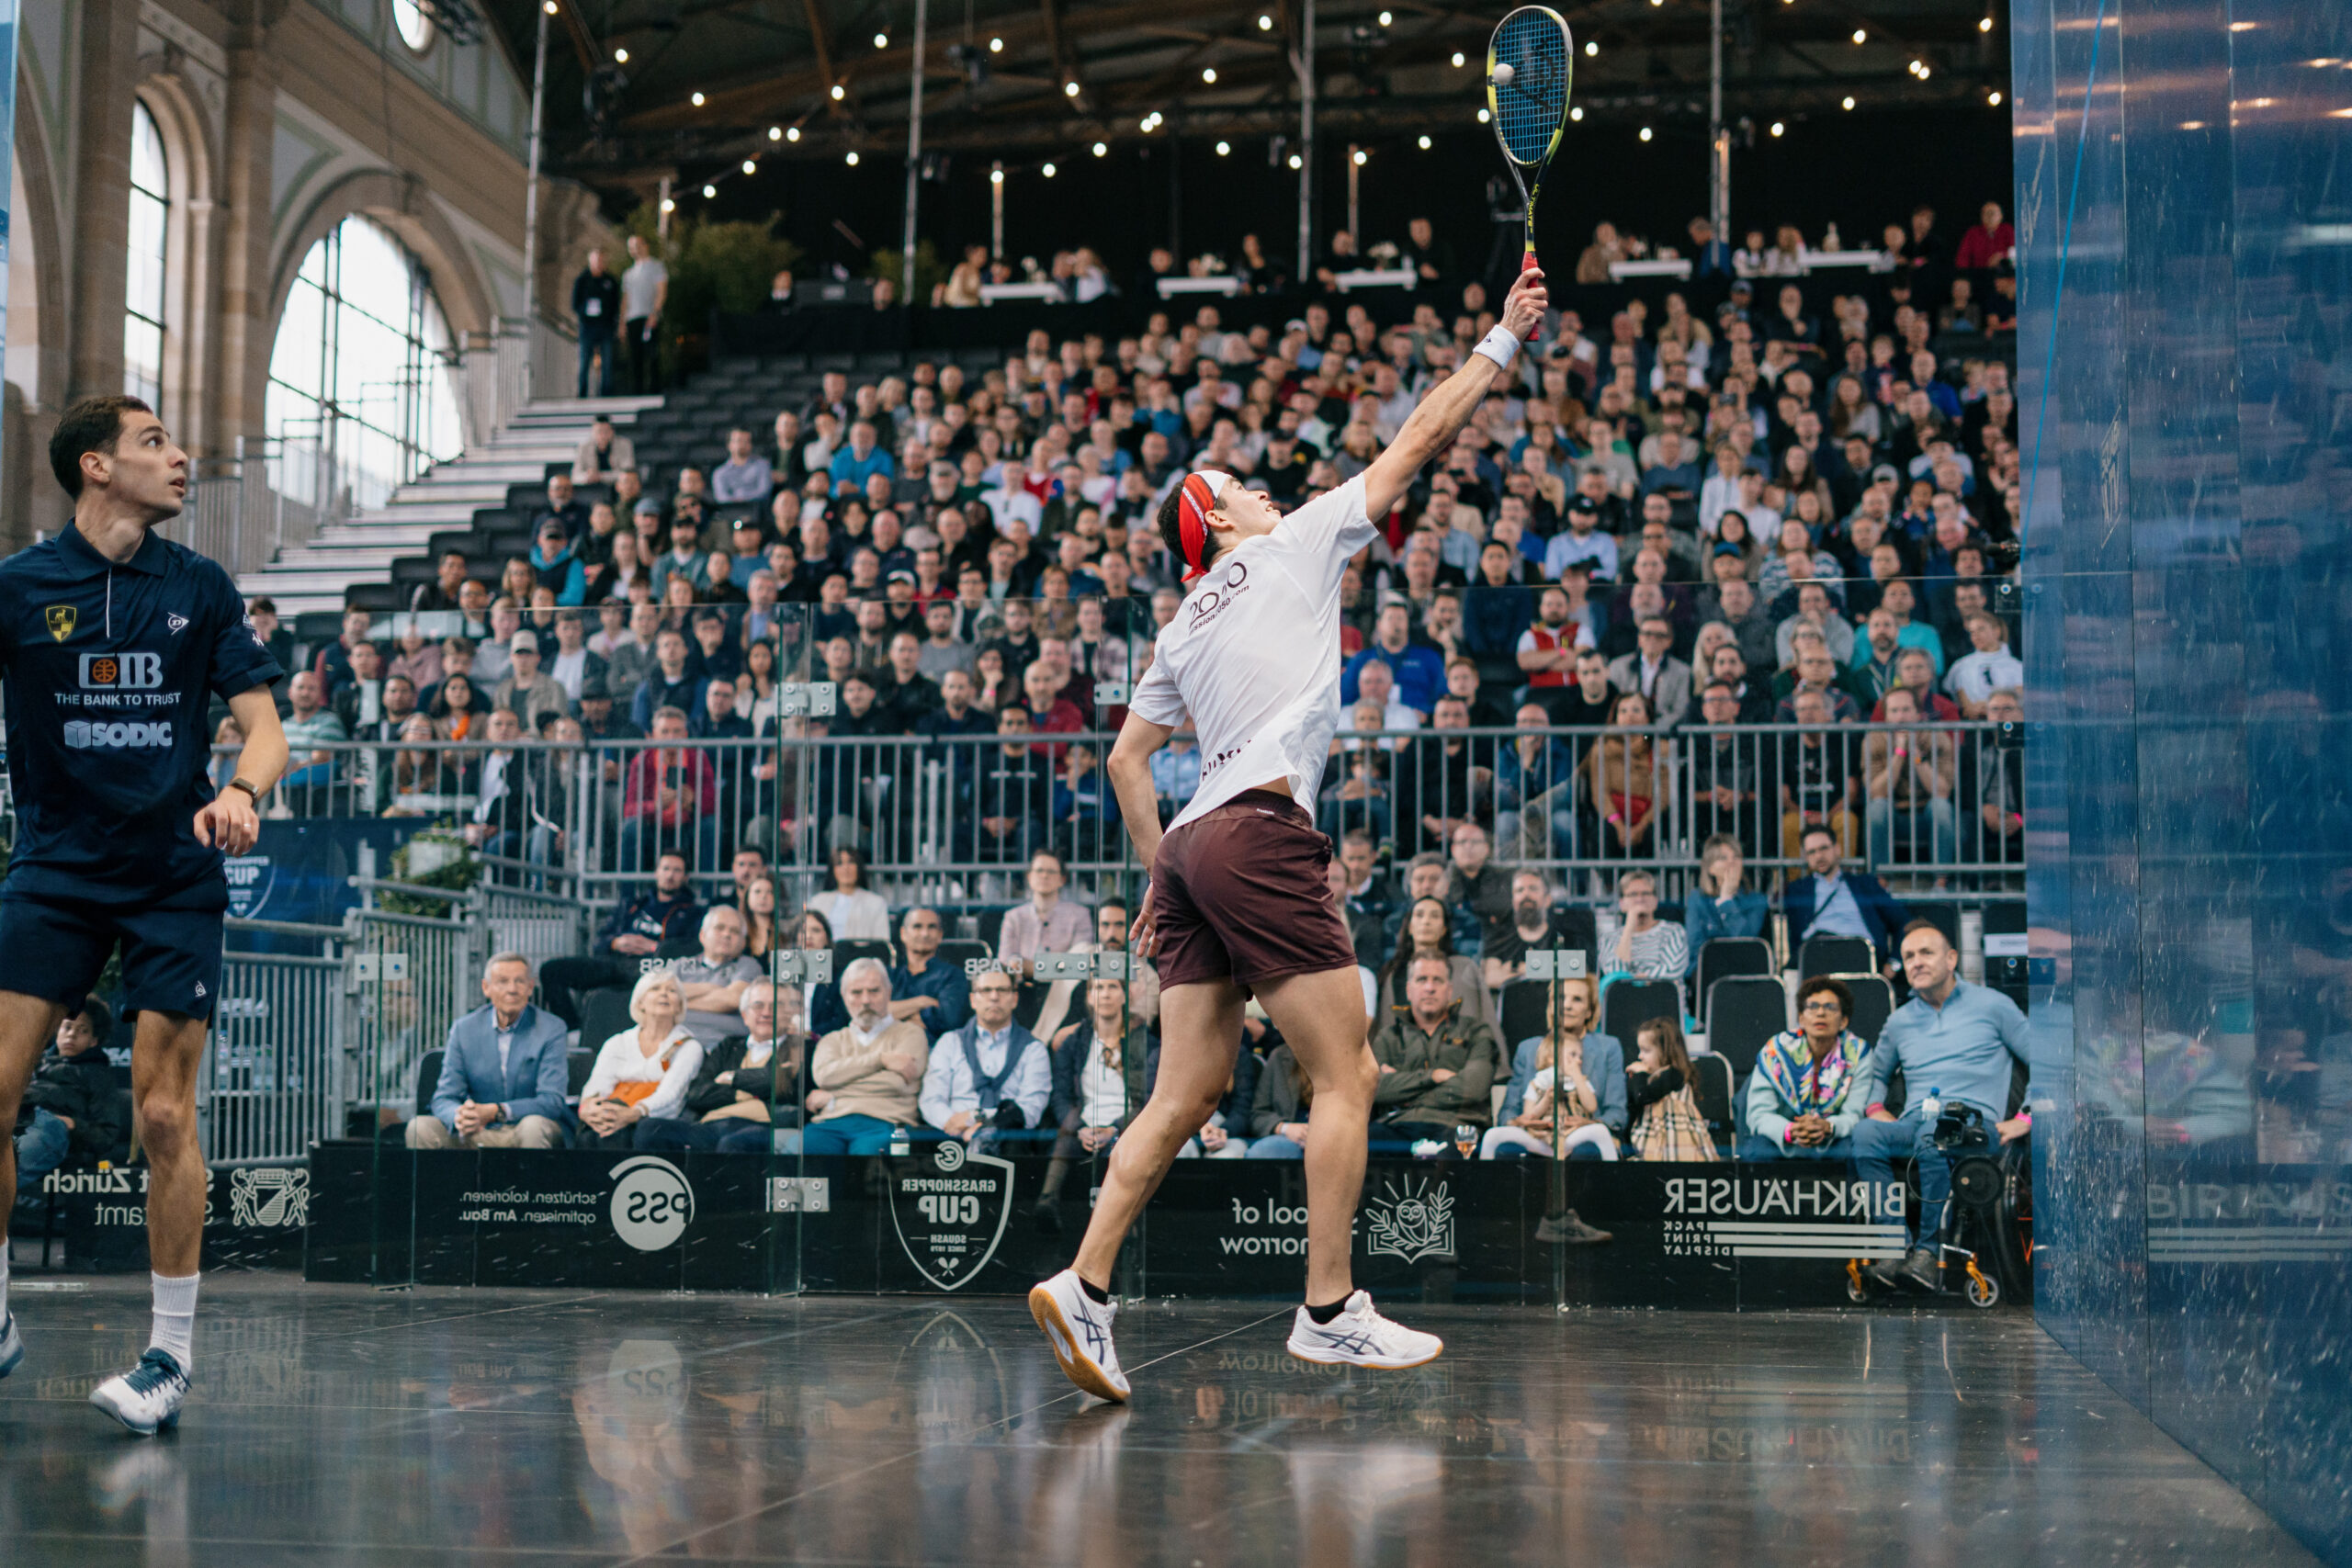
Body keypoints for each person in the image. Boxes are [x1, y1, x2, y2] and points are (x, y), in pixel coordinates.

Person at [1030, 263, 1547, 1398]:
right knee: (1347, 1070)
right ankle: (1328, 1311)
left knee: (1185, 1094)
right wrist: (1503, 339)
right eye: (1243, 485)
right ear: (1218, 519)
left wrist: (1160, 874)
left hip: (1188, 848)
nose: (1265, 488)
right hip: (1257, 833)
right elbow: (1418, 438)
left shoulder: (1180, 624)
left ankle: (1084, 1285)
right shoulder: (1293, 542)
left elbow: (1124, 760)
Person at [0, 395, 289, 1434]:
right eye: (154, 442)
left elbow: (265, 728)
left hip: (173, 874)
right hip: (53, 873)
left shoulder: (200, 586)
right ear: (95, 465)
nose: (181, 457)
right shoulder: (19, 587)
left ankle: (169, 1355)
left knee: (163, 1114)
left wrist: (242, 791)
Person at [1852, 920, 2031, 1290]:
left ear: (1951, 959)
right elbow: (1876, 1076)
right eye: (1908, 956)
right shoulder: (1899, 1021)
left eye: (1925, 953)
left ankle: (1929, 1254)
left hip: (1973, 1124)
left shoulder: (1994, 1005)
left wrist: (2026, 1117)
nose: (1915, 962)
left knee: (1933, 1135)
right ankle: (1894, 1248)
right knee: (1866, 1133)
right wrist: (1874, 1108)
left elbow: (2045, 1061)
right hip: (1915, 1122)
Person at [407, 953, 573, 1150]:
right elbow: (444, 1097)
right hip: (475, 1130)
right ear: (486, 987)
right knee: (420, 1127)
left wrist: (497, 1111)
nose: (512, 989)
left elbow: (552, 1101)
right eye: (503, 982)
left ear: (530, 987)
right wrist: (460, 1116)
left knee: (533, 1127)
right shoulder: (464, 1029)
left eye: (519, 981)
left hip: (523, 1127)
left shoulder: (551, 1028)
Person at [539, 851, 703, 1028]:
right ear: (657, 872)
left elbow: (691, 951)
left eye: (677, 870)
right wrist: (615, 943)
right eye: (666, 869)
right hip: (613, 964)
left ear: (685, 877)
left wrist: (656, 947)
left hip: (650, 970)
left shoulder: (693, 913)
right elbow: (598, 943)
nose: (670, 875)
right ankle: (571, 1030)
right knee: (551, 971)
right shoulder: (633, 905)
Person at [1485, 976, 1626, 1169]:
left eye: (1577, 999)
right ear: (1551, 1006)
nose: (1566, 1005)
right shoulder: (1528, 1048)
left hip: (1583, 1137)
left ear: (1590, 1011)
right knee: (1505, 1149)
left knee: (1586, 1151)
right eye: (1560, 998)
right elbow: (1508, 1111)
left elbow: (1617, 1114)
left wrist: (1588, 1123)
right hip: (1536, 1137)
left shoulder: (1608, 1048)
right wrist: (1522, 1121)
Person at [1370, 953, 1503, 1152]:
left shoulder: (1476, 1032)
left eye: (1437, 980)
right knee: (1362, 1145)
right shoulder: (1388, 1037)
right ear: (1408, 990)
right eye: (1422, 979)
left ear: (1449, 990)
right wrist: (1433, 1076)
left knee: (1461, 1149)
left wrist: (1404, 1092)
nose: (1429, 988)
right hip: (1396, 1124)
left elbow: (1472, 1088)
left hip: (1458, 1125)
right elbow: (1376, 1089)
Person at [802, 959, 932, 1155]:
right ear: (844, 996)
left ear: (889, 992)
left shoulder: (910, 1034)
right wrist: (882, 1060)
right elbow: (824, 1077)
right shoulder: (832, 1040)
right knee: (803, 1149)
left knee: (867, 1159)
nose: (865, 1000)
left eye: (874, 991)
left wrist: (834, 1094)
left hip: (887, 1123)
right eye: (856, 992)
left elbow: (894, 1083)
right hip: (829, 1123)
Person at [1739, 976, 1871, 1160]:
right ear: (1801, 1018)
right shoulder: (1775, 1052)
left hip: (1833, 1139)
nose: (1820, 1013)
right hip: (1785, 1138)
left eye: (1830, 1007)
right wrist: (1790, 1130)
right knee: (1757, 1149)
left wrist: (1828, 1127)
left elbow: (1854, 1114)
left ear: (1843, 1021)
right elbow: (1759, 1114)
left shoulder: (1858, 1054)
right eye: (1812, 1007)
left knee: (1854, 1147)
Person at [918, 970, 1050, 1154]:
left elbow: (1030, 1110)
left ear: (1015, 999)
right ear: (973, 1000)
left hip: (1008, 1142)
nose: (994, 997)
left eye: (1002, 990)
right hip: (954, 1137)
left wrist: (977, 1120)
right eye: (986, 990)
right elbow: (931, 1100)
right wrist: (955, 1125)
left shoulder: (1033, 1048)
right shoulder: (950, 1043)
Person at [578, 969, 703, 1149]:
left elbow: (670, 1096)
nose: (664, 994)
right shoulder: (617, 1042)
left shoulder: (689, 1046)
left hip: (658, 1120)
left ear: (680, 1006)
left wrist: (634, 1113)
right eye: (655, 989)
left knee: (627, 1134)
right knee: (592, 1134)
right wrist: (589, 1109)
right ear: (640, 1002)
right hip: (613, 1111)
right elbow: (597, 1085)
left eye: (672, 991)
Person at [12, 1002, 122, 1185]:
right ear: (58, 1031)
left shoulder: (99, 1075)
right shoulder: (34, 1063)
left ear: (94, 1041)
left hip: (53, 1129)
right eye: (67, 1027)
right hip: (18, 1120)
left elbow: (106, 1136)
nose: (71, 1034)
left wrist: (72, 1124)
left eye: (83, 1030)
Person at [1782, 823, 1911, 972]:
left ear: (1837, 849)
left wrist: (1894, 963)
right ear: (1806, 857)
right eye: (1812, 852)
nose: (1818, 856)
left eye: (1824, 848)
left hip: (1860, 955)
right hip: (1818, 956)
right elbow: (1794, 940)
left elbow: (1904, 922)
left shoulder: (1865, 884)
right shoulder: (1797, 890)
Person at [671, 906, 763, 1048]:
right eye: (719, 928)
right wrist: (711, 988)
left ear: (743, 942)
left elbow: (732, 999)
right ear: (702, 935)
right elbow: (658, 998)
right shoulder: (680, 965)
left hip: (726, 1047)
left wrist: (678, 1002)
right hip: (676, 1042)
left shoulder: (748, 965)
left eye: (735, 931)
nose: (726, 934)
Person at [1626, 1015, 1717, 1160]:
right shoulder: (1647, 1079)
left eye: (1646, 1051)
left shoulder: (1674, 1074)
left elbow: (1643, 1096)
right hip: (1651, 1145)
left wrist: (1640, 1074)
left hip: (1675, 1147)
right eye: (1640, 1050)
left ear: (1666, 1051)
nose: (1640, 1056)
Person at [1680, 833, 1768, 973]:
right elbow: (1696, 946)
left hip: (1744, 970)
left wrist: (1726, 901)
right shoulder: (1697, 899)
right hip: (1707, 969)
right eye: (1723, 858)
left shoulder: (1757, 900)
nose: (1732, 862)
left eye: (1736, 857)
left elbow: (1745, 942)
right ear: (1710, 868)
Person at [887, 906, 971, 1040]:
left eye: (931, 927)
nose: (925, 934)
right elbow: (874, 1016)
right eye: (917, 926)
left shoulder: (953, 975)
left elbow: (950, 1020)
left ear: (940, 935)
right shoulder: (889, 976)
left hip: (934, 1048)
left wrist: (897, 1014)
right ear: (903, 934)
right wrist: (922, 1002)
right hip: (888, 1047)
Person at [1603, 870, 1689, 981]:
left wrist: (1638, 980)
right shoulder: (1609, 938)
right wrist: (1629, 928)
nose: (1640, 899)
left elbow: (1672, 970)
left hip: (1663, 992)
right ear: (1622, 903)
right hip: (1626, 993)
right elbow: (1614, 974)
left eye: (1646, 893)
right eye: (1633, 894)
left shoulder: (1674, 931)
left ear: (1656, 901)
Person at [807, 846, 890, 940]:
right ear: (833, 869)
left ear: (858, 867)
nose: (846, 868)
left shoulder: (876, 903)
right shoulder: (817, 902)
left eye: (851, 862)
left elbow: (882, 941)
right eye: (839, 863)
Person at [619, 233, 668, 395]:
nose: (635, 249)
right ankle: (637, 392)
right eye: (631, 247)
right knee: (635, 356)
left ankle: (654, 390)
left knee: (652, 355)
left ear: (645, 245)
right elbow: (625, 299)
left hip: (649, 317)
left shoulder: (656, 266)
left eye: (637, 245)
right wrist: (622, 322)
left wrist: (654, 313)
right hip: (633, 318)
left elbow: (661, 291)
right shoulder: (628, 273)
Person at [571, 247, 622, 398]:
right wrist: (585, 312)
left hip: (606, 326)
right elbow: (575, 304)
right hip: (587, 327)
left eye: (601, 260)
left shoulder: (610, 281)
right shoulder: (582, 280)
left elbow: (616, 303)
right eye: (596, 260)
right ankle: (582, 393)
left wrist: (611, 319)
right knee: (584, 360)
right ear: (590, 261)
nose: (599, 263)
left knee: (607, 361)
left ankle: (606, 393)